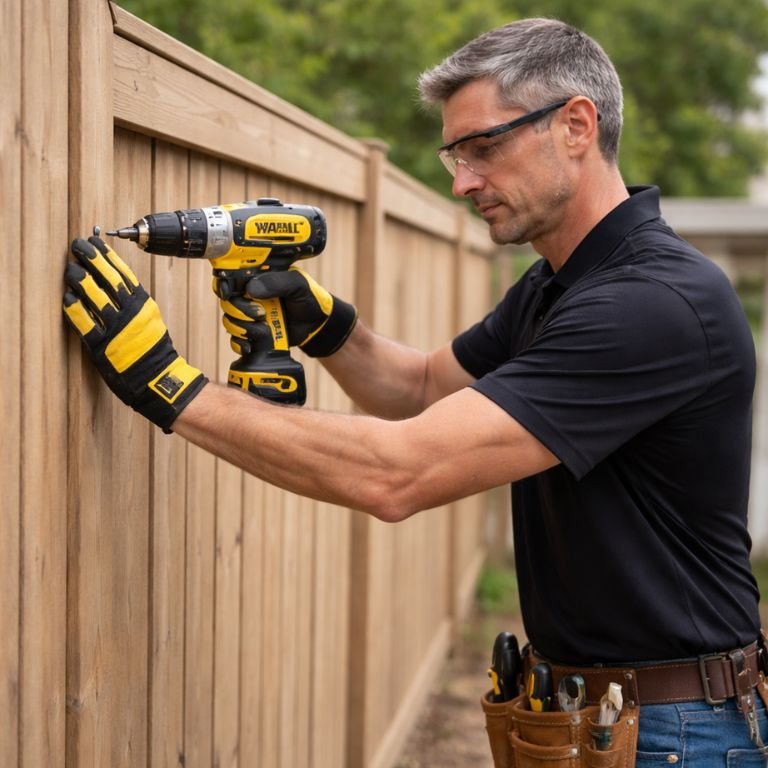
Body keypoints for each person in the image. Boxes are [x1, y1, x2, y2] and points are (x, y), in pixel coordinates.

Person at [63, 17, 766, 763]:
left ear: (576, 125)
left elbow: (397, 470)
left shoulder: (650, 304)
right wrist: (326, 327)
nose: (463, 181)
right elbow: (424, 386)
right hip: (598, 714)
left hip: (677, 731)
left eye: (483, 147)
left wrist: (171, 386)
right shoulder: (560, 285)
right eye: (455, 154)